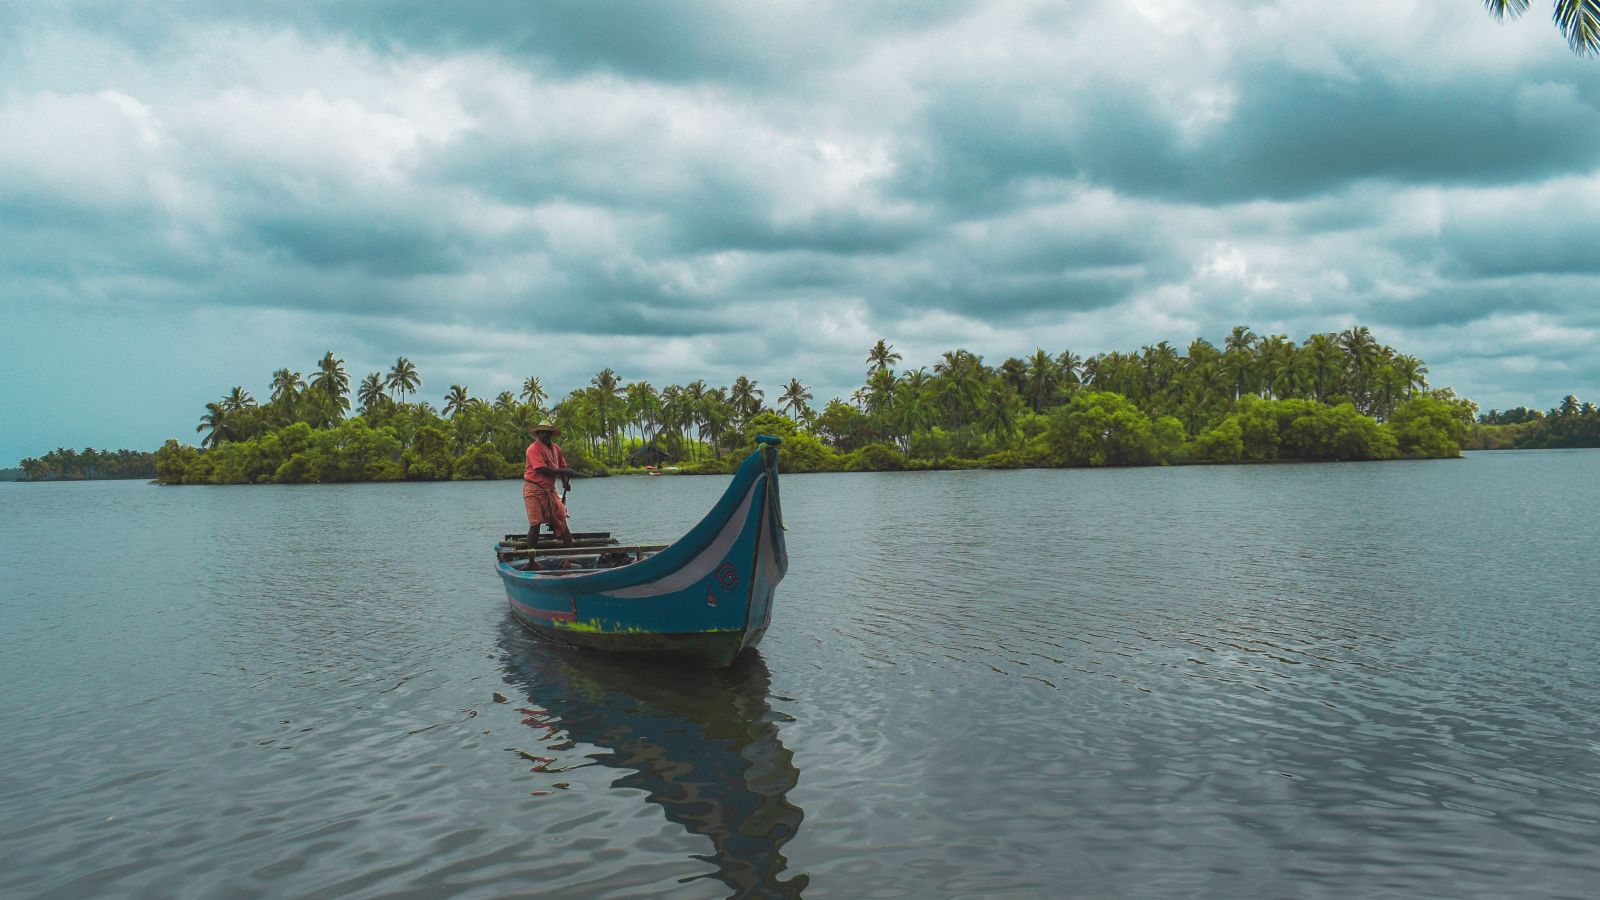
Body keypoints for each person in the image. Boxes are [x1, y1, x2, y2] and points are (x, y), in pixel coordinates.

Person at [524, 423, 578, 546]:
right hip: (534, 490)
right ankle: (531, 558)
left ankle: (571, 554)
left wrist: (565, 482)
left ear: (551, 434)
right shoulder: (533, 449)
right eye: (542, 432)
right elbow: (541, 469)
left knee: (561, 518)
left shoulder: (556, 449)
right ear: (538, 434)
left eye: (548, 432)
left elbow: (562, 465)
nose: (545, 434)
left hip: (550, 489)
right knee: (535, 523)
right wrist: (563, 472)